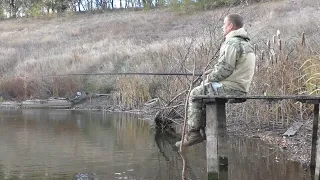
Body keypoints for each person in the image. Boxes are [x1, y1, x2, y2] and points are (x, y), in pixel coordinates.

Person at [176, 13, 256, 147]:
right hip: (241, 88)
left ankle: (194, 134)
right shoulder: (246, 43)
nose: (222, 27)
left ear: (230, 26)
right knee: (204, 92)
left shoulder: (232, 42)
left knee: (195, 93)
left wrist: (208, 78)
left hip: (230, 88)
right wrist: (211, 75)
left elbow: (224, 69)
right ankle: (203, 131)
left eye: (224, 24)